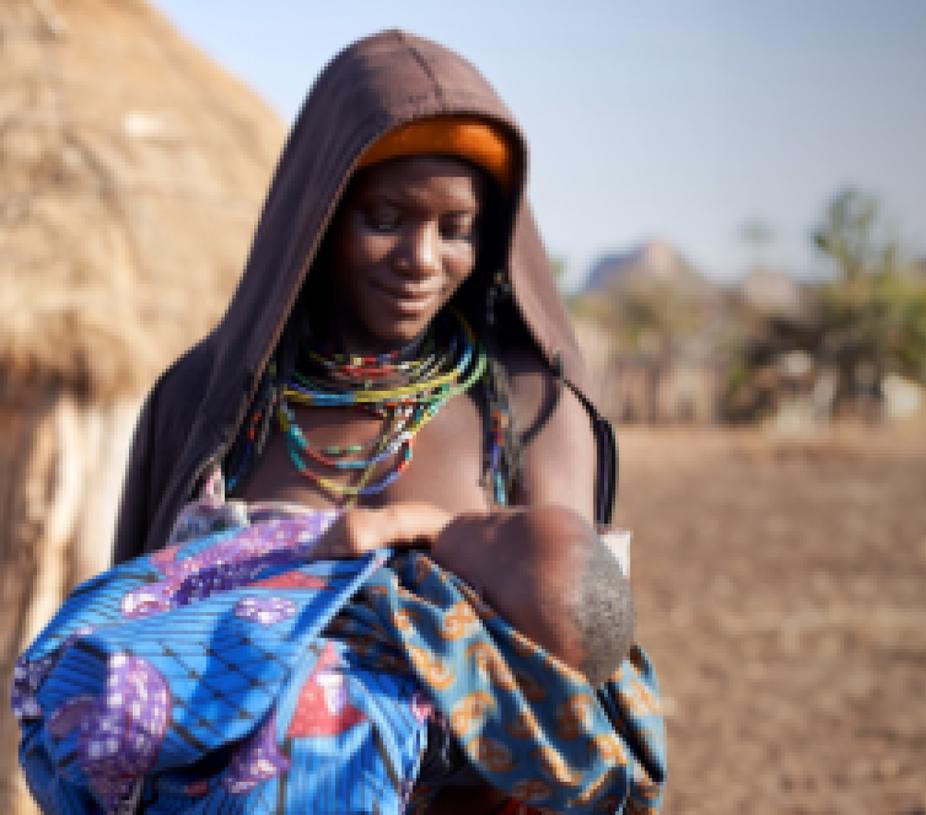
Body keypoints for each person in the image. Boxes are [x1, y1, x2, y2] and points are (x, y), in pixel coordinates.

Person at [15, 29, 664, 814]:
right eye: (385, 217)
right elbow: (137, 633)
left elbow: (578, 674)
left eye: (455, 228)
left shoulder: (528, 411)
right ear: (318, 212)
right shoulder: (210, 400)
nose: (420, 258)